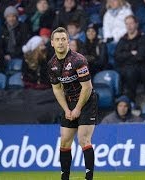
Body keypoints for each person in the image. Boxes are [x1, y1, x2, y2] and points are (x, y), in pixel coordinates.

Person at [47, 27, 97, 180]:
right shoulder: (52, 65)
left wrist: (78, 109)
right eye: (57, 40)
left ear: (68, 42)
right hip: (69, 102)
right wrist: (67, 109)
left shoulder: (78, 60)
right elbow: (57, 89)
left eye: (63, 39)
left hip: (86, 100)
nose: (61, 42)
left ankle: (89, 178)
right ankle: (65, 177)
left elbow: (87, 87)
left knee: (83, 139)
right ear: (52, 43)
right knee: (64, 142)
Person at [114, 15, 145, 104]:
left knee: (131, 72)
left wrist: (124, 56)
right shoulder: (122, 39)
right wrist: (131, 53)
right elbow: (117, 56)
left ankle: (132, 100)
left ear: (136, 24)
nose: (129, 26)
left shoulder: (143, 38)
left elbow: (141, 56)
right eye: (127, 24)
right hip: (125, 68)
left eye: (131, 23)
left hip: (141, 68)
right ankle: (126, 99)